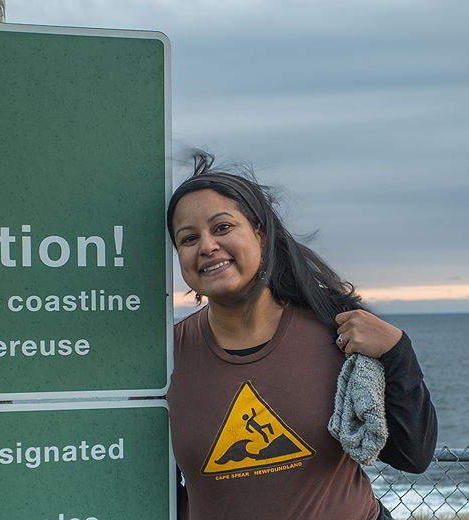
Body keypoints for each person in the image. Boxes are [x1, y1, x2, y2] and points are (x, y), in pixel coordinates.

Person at [166, 153, 437, 520]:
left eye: (223, 227)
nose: (207, 246)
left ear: (260, 234)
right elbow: (151, 485)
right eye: (188, 238)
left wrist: (397, 353)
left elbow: (412, 455)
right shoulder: (166, 358)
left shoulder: (336, 331)